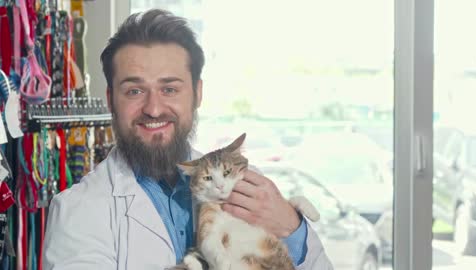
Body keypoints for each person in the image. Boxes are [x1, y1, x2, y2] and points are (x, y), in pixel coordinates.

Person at [43, 9, 333, 270]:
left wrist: (291, 230)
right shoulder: (79, 212)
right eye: (134, 91)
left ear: (198, 93)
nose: (153, 108)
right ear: (110, 100)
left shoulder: (249, 187)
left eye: (169, 89)